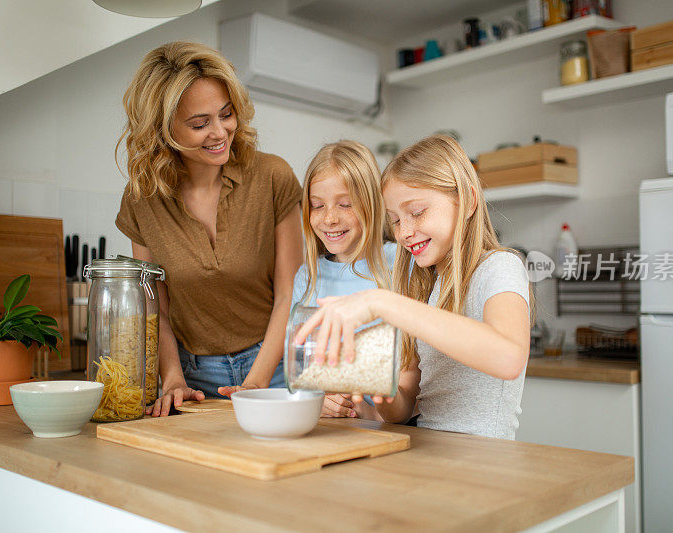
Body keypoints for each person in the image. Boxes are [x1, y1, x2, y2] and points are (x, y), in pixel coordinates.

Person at [294, 135, 533, 439]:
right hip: (427, 451)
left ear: (468, 201)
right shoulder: (425, 284)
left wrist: (381, 302)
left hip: (483, 461)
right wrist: (385, 391)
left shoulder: (499, 266)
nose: (404, 232)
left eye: (417, 212)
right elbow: (403, 410)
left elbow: (509, 357)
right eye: (394, 220)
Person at [115, 42, 303, 416]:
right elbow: (157, 309)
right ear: (162, 130)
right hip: (193, 379)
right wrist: (171, 380)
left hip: (278, 368)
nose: (220, 132)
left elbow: (290, 295)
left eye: (226, 114)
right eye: (200, 124)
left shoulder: (272, 177)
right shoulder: (142, 199)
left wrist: (256, 384)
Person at [291, 140, 396, 420]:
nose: (329, 218)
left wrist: (370, 411)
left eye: (345, 204)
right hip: (328, 428)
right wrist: (319, 400)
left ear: (372, 203)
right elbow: (301, 368)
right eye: (317, 205)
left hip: (391, 425)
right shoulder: (308, 276)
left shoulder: (401, 264)